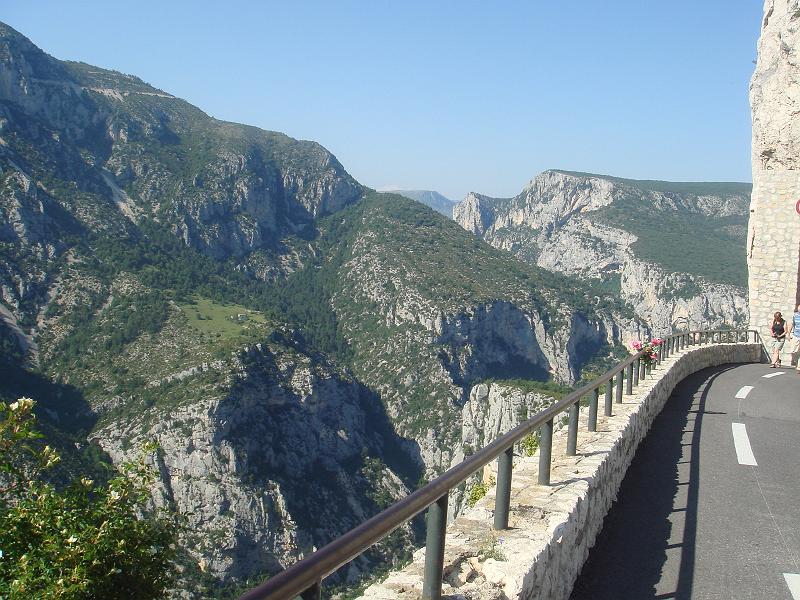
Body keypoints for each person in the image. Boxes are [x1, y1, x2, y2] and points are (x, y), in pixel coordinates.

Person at [789, 304, 800, 373]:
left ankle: (799, 367)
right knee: (793, 351)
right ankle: (797, 363)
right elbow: (792, 324)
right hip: (796, 335)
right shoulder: (795, 315)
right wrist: (788, 333)